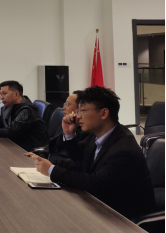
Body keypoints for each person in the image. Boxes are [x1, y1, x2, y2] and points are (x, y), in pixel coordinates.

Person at [29, 86, 156, 221]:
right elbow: (79, 159)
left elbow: (95, 184)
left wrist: (52, 170)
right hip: (100, 205)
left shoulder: (123, 150)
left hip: (123, 219)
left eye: (83, 111)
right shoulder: (96, 135)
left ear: (103, 113)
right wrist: (69, 134)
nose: (78, 116)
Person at [0, 81, 49, 152]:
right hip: (16, 145)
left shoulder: (26, 110)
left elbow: (11, 132)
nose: (1, 97)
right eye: (1, 94)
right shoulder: (7, 107)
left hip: (31, 151)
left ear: (16, 95)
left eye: (4, 93)